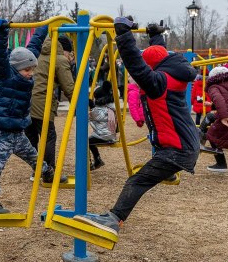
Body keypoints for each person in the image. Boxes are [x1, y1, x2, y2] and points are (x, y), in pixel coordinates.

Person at [74, 18, 199, 237]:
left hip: (177, 150)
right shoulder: (170, 74)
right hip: (181, 147)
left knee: (138, 180)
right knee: (144, 177)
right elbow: (157, 56)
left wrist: (123, 34)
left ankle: (114, 219)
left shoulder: (158, 83)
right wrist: (155, 36)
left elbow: (136, 64)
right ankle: (160, 178)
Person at [0, 19, 55, 215]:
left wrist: (45, 27)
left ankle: (47, 173)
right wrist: (1, 32)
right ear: (16, 67)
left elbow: (34, 46)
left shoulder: (24, 69)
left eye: (32, 69)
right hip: (3, 133)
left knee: (35, 158)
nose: (31, 74)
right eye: (27, 70)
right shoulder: (5, 75)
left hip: (19, 132)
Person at [25, 35, 75, 179]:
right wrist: (82, 104)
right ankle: (48, 172)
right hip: (42, 102)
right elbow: (69, 87)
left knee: (32, 136)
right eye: (69, 53)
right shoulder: (59, 59)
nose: (69, 56)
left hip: (27, 101)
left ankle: (37, 170)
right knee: (49, 136)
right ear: (64, 50)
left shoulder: (39, 55)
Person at [88, 81, 117, 170]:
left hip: (105, 135)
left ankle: (93, 161)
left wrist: (92, 107)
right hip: (107, 133)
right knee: (89, 140)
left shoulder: (106, 108)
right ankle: (97, 159)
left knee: (85, 142)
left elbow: (97, 116)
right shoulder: (109, 105)